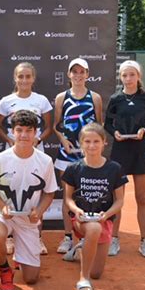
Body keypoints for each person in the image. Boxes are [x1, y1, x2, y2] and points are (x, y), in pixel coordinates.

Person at [0, 110, 58, 290]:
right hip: (4, 215)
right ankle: (4, 269)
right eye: (19, 130)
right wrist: (3, 207)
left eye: (28, 130)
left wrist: (39, 212)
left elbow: (49, 193)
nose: (24, 135)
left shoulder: (45, 161)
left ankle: (21, 255)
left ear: (35, 133)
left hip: (28, 220)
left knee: (31, 279)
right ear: (12, 132)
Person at [61, 123, 128, 290]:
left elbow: (120, 200)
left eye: (96, 141)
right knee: (93, 228)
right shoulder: (73, 168)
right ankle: (83, 279)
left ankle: (80, 250)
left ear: (104, 142)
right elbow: (68, 198)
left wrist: (107, 214)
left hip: (104, 220)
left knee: (97, 273)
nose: (91, 146)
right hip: (80, 221)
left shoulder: (115, 169)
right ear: (81, 143)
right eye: (87, 141)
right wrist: (76, 211)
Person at [104, 60, 145, 258]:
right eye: (124, 75)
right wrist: (115, 132)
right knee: (118, 199)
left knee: (141, 198)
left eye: (132, 75)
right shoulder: (115, 98)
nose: (128, 79)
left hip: (140, 152)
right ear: (121, 77)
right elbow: (107, 124)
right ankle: (114, 239)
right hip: (120, 152)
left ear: (138, 76)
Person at [0, 62, 53, 255]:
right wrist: (10, 141)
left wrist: (37, 140)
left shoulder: (42, 100)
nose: (24, 80)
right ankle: (10, 237)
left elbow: (48, 127)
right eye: (20, 76)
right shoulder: (5, 101)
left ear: (33, 79)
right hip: (12, 154)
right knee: (10, 193)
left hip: (35, 153)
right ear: (15, 78)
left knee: (35, 193)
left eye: (28, 76)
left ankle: (37, 236)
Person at [53, 58, 103, 255]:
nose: (78, 75)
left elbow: (98, 126)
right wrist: (63, 140)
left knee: (86, 197)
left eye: (82, 72)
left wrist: (90, 146)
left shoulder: (95, 98)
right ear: (69, 75)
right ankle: (67, 237)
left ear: (87, 74)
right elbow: (57, 125)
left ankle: (85, 238)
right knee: (68, 197)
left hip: (88, 156)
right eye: (74, 71)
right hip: (66, 155)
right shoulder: (61, 98)